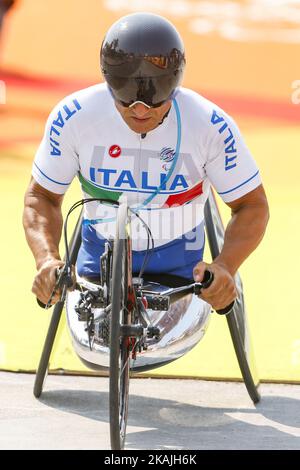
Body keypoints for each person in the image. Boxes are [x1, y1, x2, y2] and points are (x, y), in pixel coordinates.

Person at [23, 12, 269, 311]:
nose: (140, 110)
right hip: (98, 263)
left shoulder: (211, 125)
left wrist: (226, 265)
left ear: (174, 82)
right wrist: (47, 260)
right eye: (125, 99)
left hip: (180, 268)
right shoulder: (73, 116)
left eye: (155, 100)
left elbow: (252, 205)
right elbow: (41, 196)